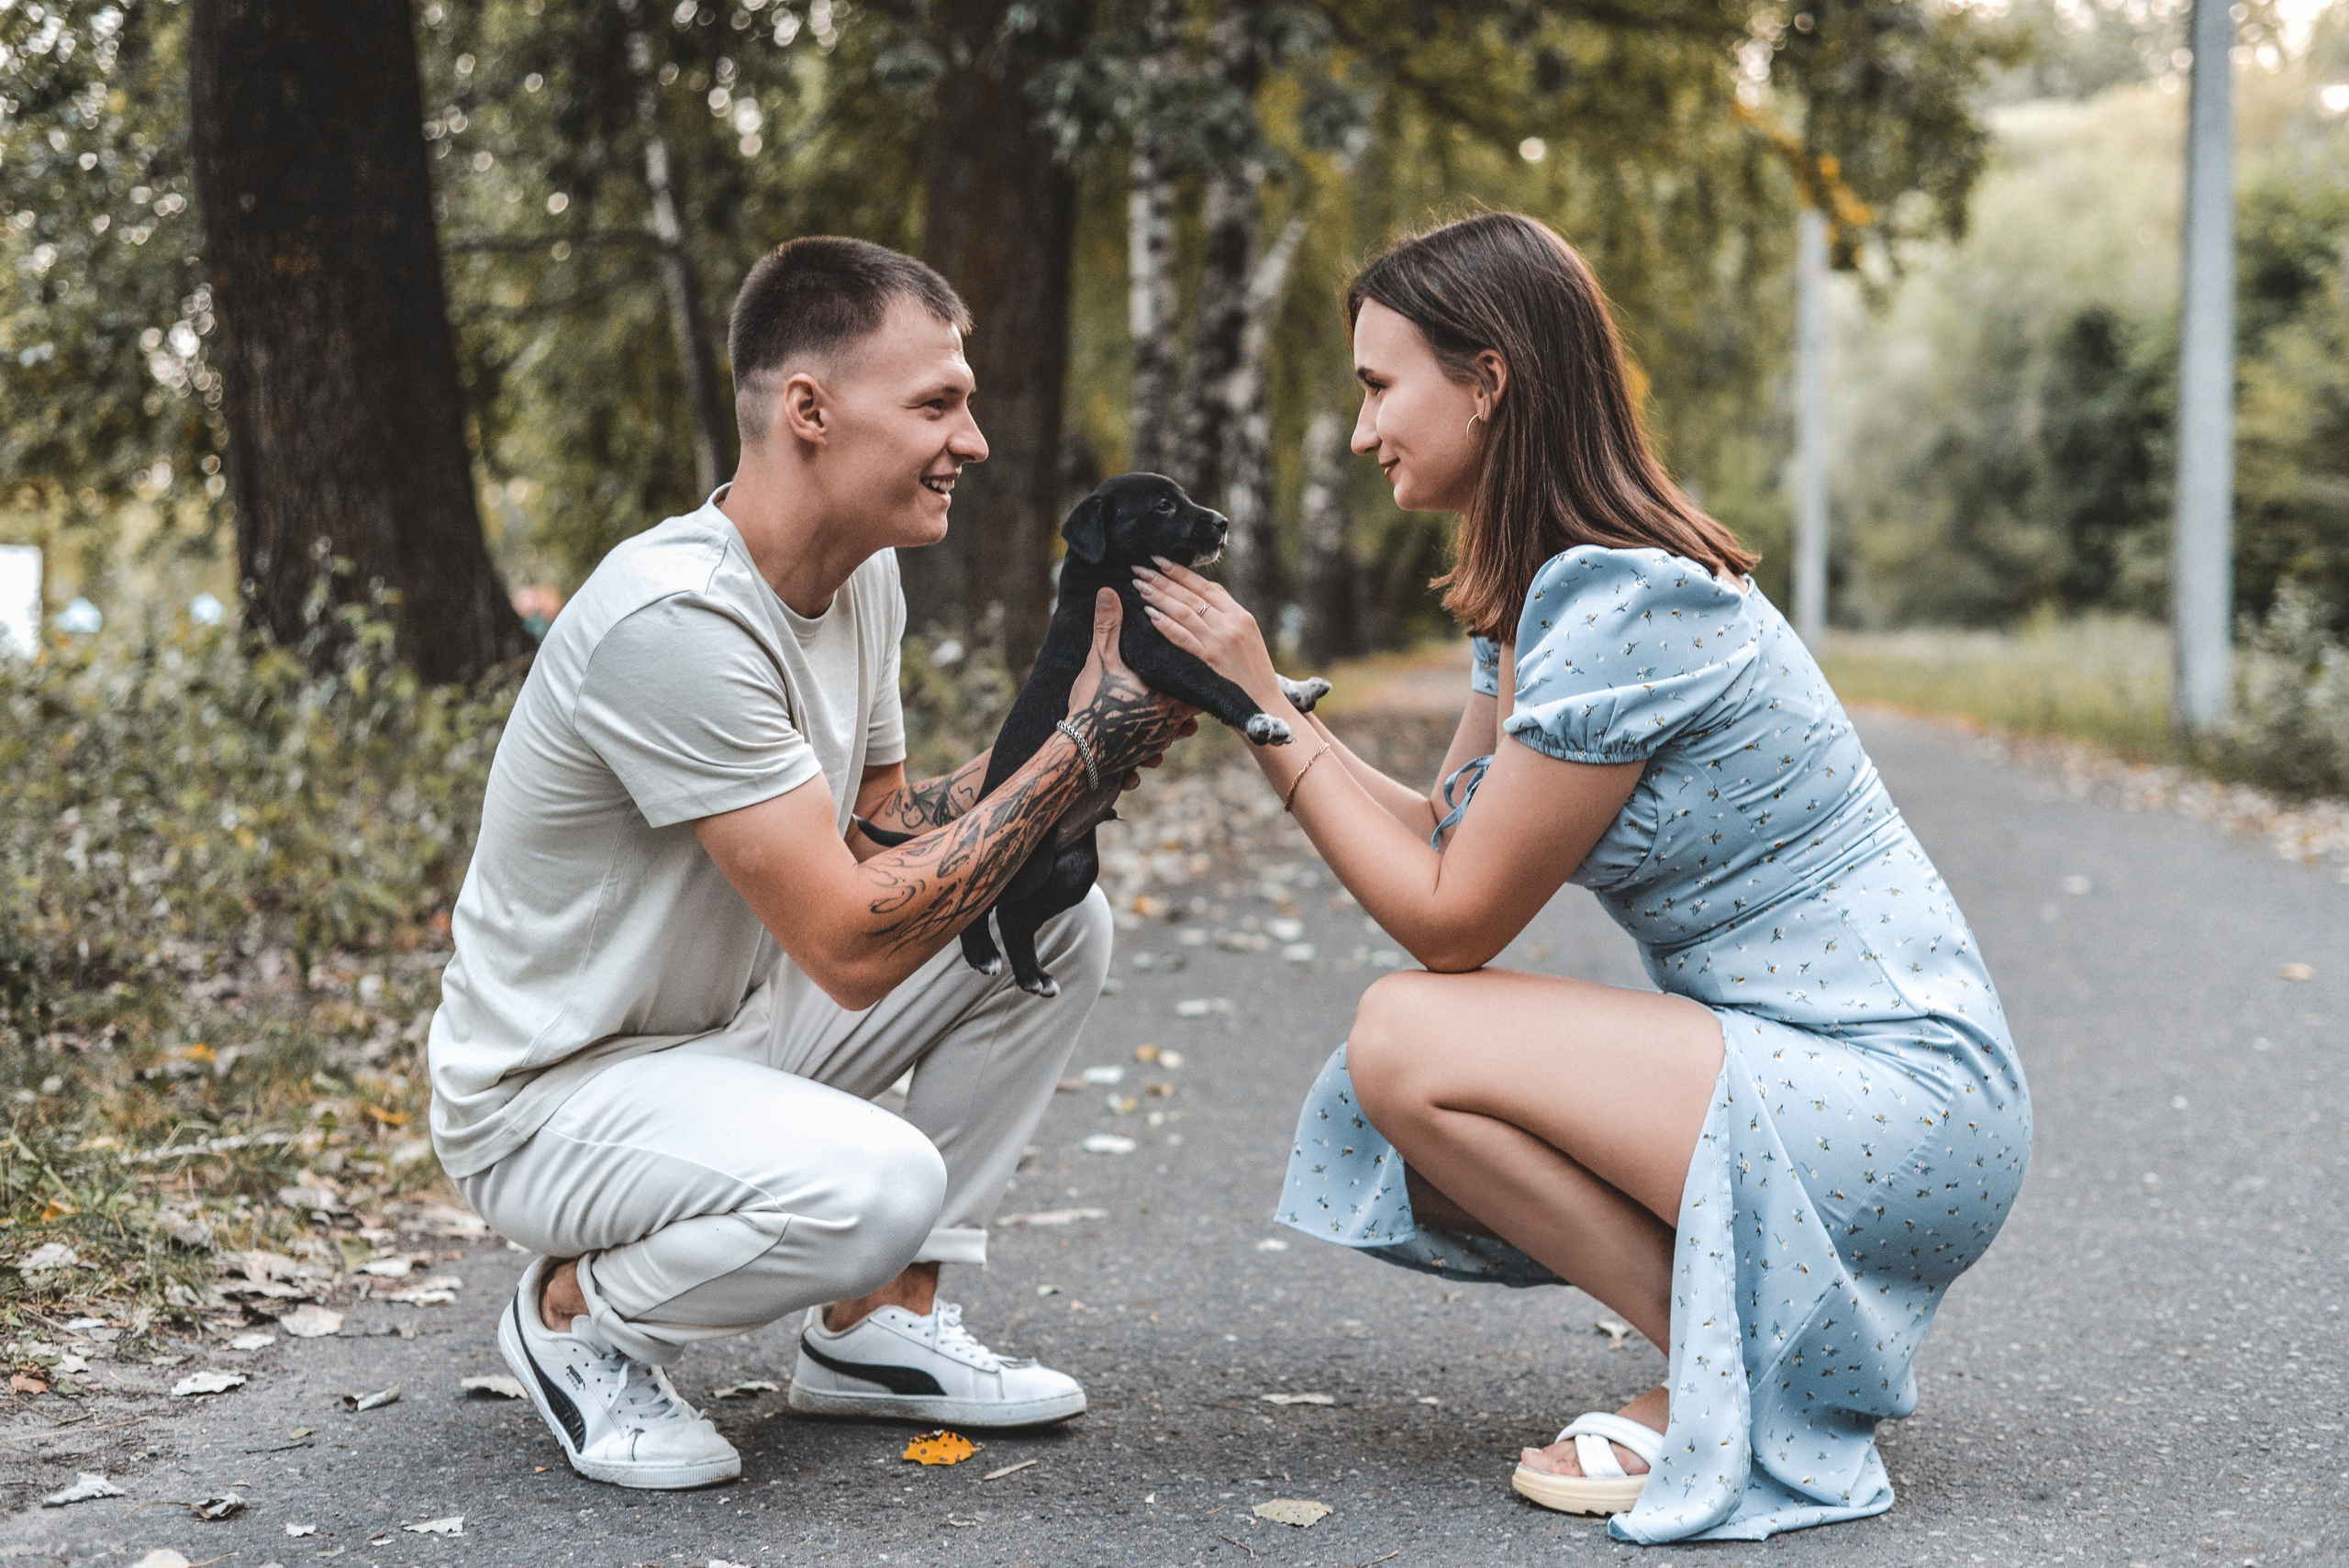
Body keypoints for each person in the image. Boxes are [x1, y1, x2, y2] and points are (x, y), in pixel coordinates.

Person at [1130, 212, 2031, 1544]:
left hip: (1901, 1091)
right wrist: (1272, 717)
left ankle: (1738, 1379)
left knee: (1406, 1034)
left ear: (1489, 380)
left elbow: (1451, 922)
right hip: (1801, 1064)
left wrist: (1272, 713)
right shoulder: (1544, 604)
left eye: (1383, 385)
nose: (1366, 425)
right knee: (1391, 1108)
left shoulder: (1626, 604)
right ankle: (1749, 1347)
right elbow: (1452, 840)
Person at [426, 237, 1194, 1490]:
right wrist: (1070, 755)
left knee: (1056, 920)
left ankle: (874, 1323)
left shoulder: (862, 572)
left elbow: (878, 828)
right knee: (881, 1177)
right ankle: (576, 1313)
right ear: (810, 411)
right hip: (554, 1097)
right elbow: (846, 943)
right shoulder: (676, 619)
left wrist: (1085, 751)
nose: (976, 439)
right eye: (939, 403)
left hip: (727, 1028)